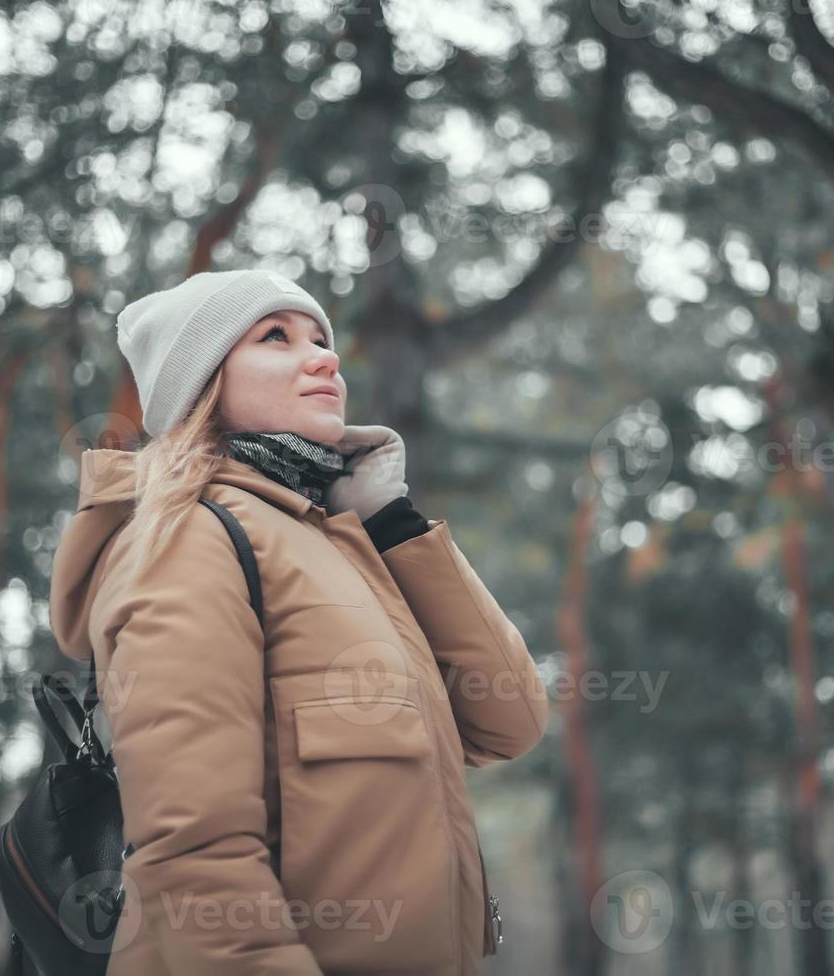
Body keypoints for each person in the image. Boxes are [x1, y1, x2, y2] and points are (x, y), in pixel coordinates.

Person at [48, 269, 549, 975]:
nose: (324, 357)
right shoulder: (188, 538)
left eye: (322, 338)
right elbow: (195, 853)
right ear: (201, 384)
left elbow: (510, 719)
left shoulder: (341, 546)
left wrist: (392, 522)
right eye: (275, 337)